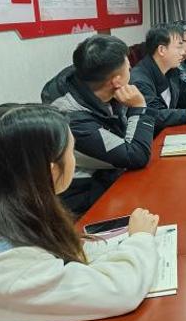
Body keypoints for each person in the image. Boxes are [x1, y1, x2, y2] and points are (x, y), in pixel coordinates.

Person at [0, 104, 160, 321]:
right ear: (51, 171)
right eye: (72, 151)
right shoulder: (5, 262)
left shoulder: (6, 205)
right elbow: (117, 291)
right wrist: (140, 239)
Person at [41, 35, 157, 217]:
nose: (131, 70)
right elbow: (136, 156)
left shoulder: (96, 80)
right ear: (116, 80)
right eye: (128, 68)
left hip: (111, 176)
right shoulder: (72, 119)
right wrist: (139, 108)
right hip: (84, 200)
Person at [131, 23, 186, 133]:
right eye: (179, 47)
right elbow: (155, 116)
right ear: (162, 50)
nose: (183, 52)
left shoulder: (171, 69)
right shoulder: (140, 79)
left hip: (168, 132)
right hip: (152, 138)